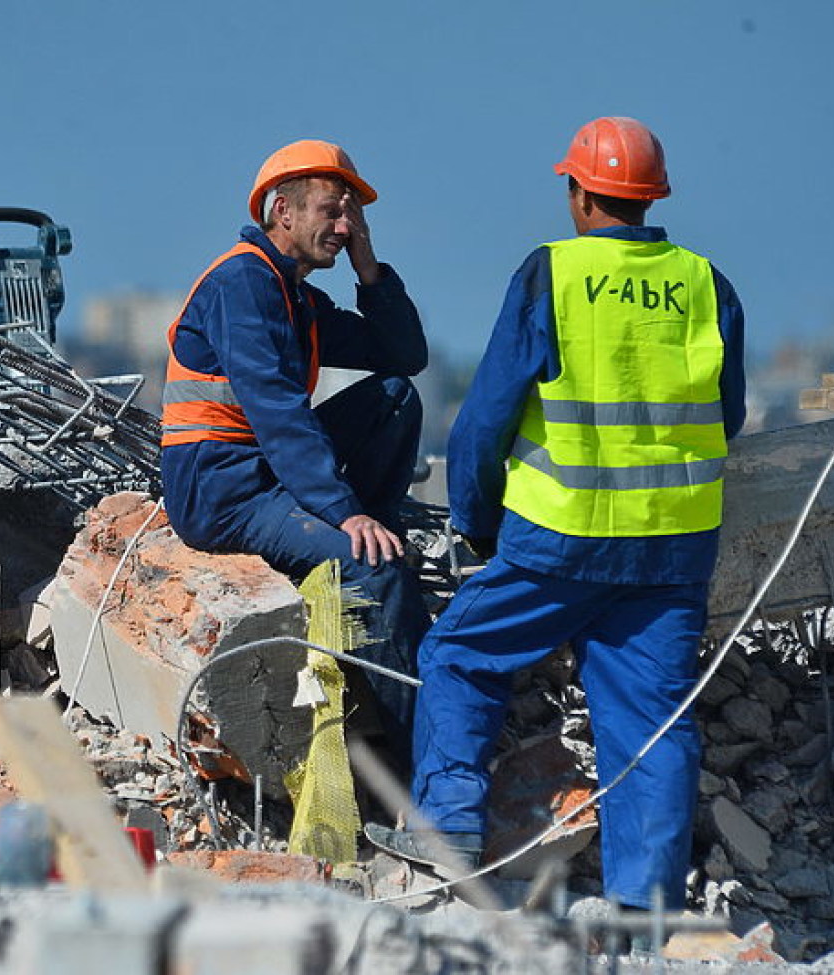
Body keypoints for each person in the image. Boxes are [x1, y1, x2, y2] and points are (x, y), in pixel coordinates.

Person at [367, 117, 746, 915]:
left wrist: (475, 521)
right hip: (673, 549)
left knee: (462, 655)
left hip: (562, 537)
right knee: (651, 718)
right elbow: (730, 414)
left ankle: (451, 835)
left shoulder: (552, 275)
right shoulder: (707, 283)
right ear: (652, 199)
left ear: (579, 194)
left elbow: (484, 421)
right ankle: (647, 906)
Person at [160, 139, 429, 759]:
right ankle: (424, 773)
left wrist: (371, 271)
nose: (345, 226)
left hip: (262, 474)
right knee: (378, 572)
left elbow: (404, 356)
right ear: (282, 211)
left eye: (351, 218)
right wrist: (344, 512)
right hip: (224, 489)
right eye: (332, 212)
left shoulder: (293, 295)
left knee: (393, 396)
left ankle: (368, 535)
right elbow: (278, 412)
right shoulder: (242, 284)